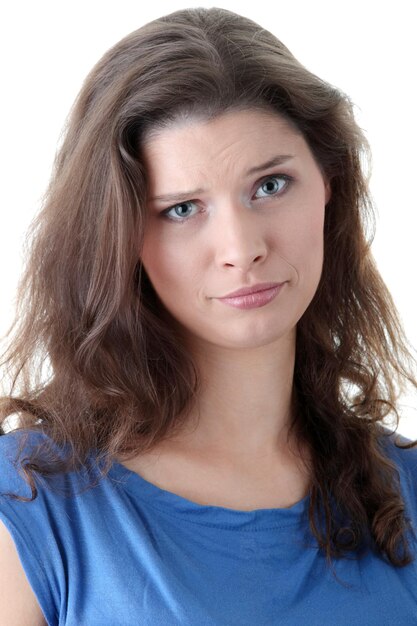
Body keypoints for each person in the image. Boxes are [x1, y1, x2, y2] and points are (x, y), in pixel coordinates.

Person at [1, 7, 417, 625]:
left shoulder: (404, 485)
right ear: (117, 236)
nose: (241, 247)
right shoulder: (32, 501)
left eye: (270, 185)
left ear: (329, 184)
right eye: (181, 209)